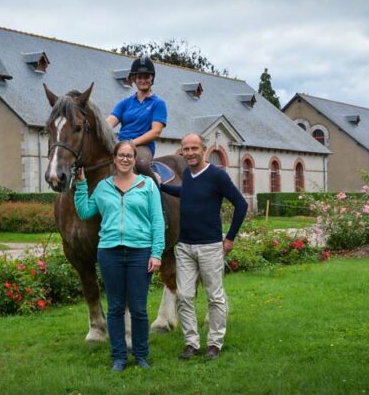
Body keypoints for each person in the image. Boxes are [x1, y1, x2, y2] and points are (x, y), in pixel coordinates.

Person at [74, 140, 165, 372]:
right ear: (114, 159)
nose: (125, 159)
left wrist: (156, 253)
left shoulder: (147, 185)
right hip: (110, 253)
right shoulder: (103, 186)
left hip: (140, 252)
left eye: (129, 156)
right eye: (121, 155)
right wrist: (82, 186)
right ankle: (119, 357)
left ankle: (141, 355)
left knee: (138, 308)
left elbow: (157, 221)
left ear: (134, 159)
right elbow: (85, 212)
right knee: (114, 307)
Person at [159, 133, 248, 360]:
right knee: (184, 296)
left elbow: (241, 204)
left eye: (194, 148)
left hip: (209, 246)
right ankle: (191, 343)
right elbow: (186, 194)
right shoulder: (188, 174)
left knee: (214, 297)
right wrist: (163, 187)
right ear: (182, 151)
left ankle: (214, 344)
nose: (190, 153)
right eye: (186, 149)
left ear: (203, 149)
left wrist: (229, 238)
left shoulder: (217, 175)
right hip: (185, 247)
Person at [106, 56, 167, 178]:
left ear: (152, 78)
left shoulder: (158, 103)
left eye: (146, 76)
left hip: (142, 147)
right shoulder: (124, 103)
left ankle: (155, 192)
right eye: (139, 77)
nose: (142, 80)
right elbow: (108, 124)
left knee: (141, 165)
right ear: (134, 79)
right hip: (120, 144)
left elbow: (155, 132)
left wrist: (131, 143)